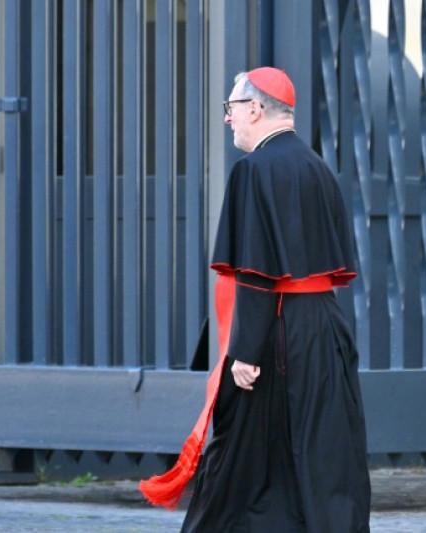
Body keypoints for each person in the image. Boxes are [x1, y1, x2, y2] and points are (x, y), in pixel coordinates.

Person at [140, 67, 371, 532]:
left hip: (276, 334)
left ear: (256, 108)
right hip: (322, 327)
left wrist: (245, 351)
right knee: (322, 454)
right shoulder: (317, 167)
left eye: (231, 108)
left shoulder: (253, 170)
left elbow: (257, 269)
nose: (228, 118)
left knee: (244, 455)